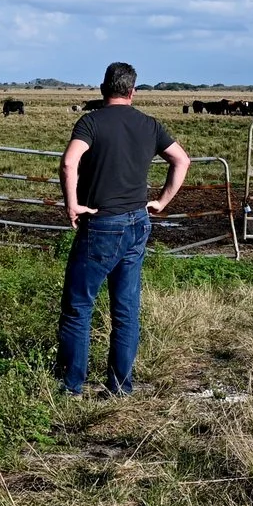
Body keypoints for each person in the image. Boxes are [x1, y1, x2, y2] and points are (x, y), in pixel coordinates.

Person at [56, 61, 190, 396]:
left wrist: (71, 202)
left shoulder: (90, 122)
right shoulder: (149, 124)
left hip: (101, 223)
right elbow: (181, 160)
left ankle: (72, 386)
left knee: (78, 307)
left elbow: (69, 162)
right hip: (137, 221)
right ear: (132, 91)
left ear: (103, 89)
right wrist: (161, 202)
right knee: (126, 310)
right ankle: (120, 387)